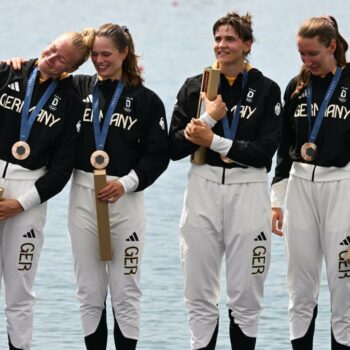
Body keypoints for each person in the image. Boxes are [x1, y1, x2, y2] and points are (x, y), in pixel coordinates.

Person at [169, 11, 282, 350]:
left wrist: (215, 141)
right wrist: (206, 118)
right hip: (201, 187)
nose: (222, 45)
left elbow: (264, 153)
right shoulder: (196, 86)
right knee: (199, 294)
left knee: (246, 295)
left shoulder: (266, 89)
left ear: (247, 44)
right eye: (218, 38)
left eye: (230, 39)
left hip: (248, 191)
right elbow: (173, 148)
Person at [68, 23, 169, 350]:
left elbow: (158, 156)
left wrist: (126, 184)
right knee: (89, 291)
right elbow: (42, 74)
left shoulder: (146, 100)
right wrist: (15, 65)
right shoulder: (78, 88)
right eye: (94, 55)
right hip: (83, 195)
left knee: (125, 291)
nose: (99, 60)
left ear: (125, 53)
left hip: (125, 198)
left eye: (106, 54)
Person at [0, 29, 95, 350]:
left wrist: (20, 205)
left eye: (61, 58)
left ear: (72, 67)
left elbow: (62, 169)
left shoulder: (70, 99)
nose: (51, 57)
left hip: (28, 195)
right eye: (52, 48)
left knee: (19, 290)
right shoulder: (10, 71)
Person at [271, 15, 350, 350]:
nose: (307, 61)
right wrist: (276, 199)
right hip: (300, 187)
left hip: (342, 188)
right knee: (300, 287)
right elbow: (284, 148)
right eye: (301, 55)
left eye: (313, 54)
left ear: (332, 46)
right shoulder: (296, 87)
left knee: (344, 286)